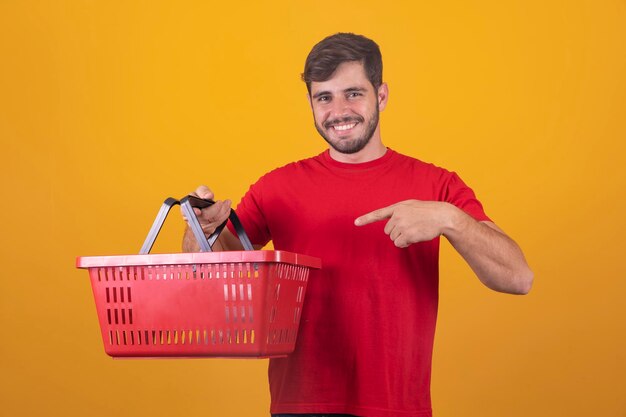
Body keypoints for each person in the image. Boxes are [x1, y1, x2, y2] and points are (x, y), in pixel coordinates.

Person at [183, 33, 533, 417]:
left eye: (353, 93)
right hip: (301, 407)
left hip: (397, 408)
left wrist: (451, 219)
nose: (339, 111)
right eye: (324, 97)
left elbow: (518, 278)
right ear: (311, 104)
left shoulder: (437, 185)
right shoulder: (278, 187)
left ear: (381, 95)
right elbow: (208, 277)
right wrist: (201, 227)